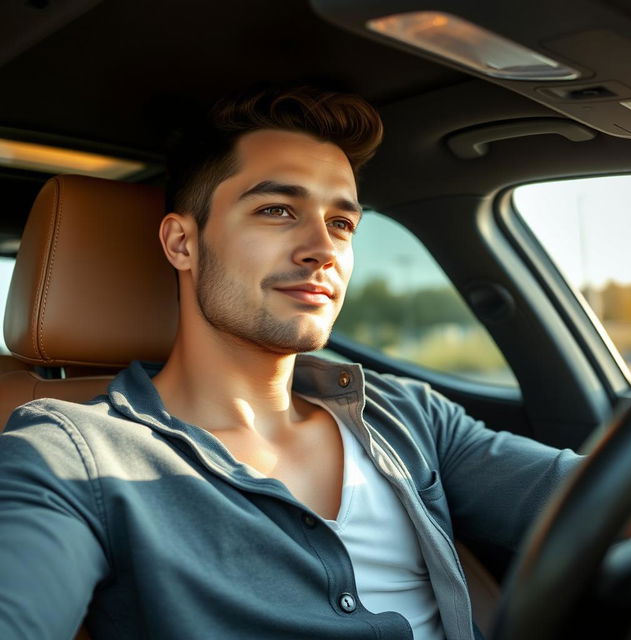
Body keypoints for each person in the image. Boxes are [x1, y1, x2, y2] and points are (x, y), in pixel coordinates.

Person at [0, 86, 584, 640]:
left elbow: (597, 497)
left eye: (342, 223)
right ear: (182, 244)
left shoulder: (407, 412)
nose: (324, 249)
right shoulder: (72, 452)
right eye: (278, 210)